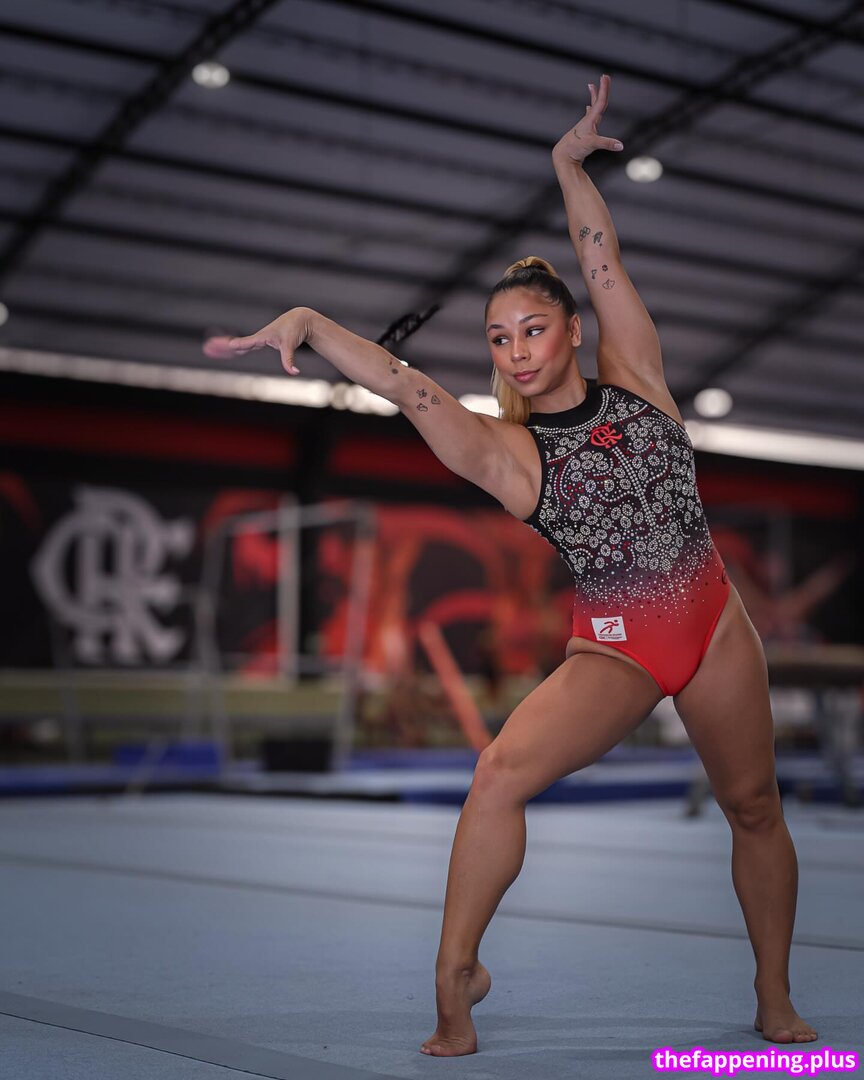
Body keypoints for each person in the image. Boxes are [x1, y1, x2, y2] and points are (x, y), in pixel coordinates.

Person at [204, 73, 817, 1055]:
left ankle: (774, 996)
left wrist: (567, 166)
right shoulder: (511, 454)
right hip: (621, 645)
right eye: (500, 339)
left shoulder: (639, 376)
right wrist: (311, 324)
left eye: (534, 329)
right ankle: (455, 979)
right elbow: (406, 387)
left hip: (715, 620)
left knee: (754, 805)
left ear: (571, 328)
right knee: (496, 774)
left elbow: (600, 253)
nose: (518, 350)